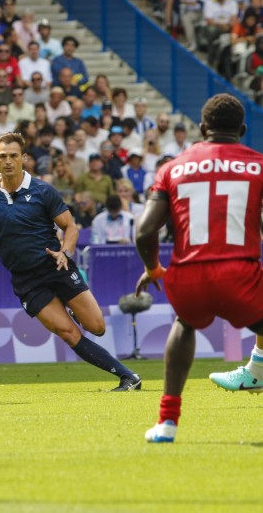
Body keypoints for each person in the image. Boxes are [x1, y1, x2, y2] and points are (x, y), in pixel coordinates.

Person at [136, 94, 263, 443]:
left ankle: (167, 423)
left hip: (188, 275)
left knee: (184, 325)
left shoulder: (171, 168)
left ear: (203, 128)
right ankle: (258, 367)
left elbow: (145, 232)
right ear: (243, 129)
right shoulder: (258, 164)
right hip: (241, 274)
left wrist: (154, 269)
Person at [0, 132, 141, 392]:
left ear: (24, 159)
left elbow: (70, 226)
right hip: (26, 281)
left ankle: (74, 306)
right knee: (68, 333)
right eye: (3, 157)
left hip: (57, 267)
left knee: (96, 327)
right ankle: (128, 377)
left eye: (13, 156)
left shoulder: (43, 190)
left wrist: (65, 252)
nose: (8, 161)